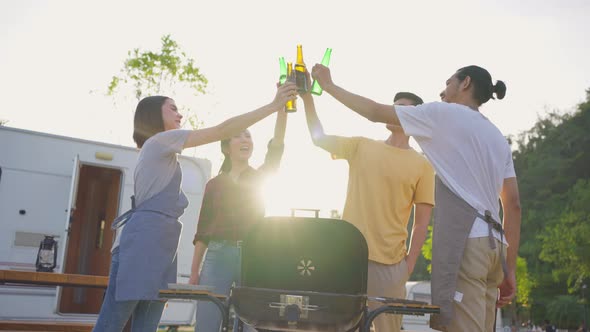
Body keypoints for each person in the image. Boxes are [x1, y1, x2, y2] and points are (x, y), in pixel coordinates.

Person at [311, 64, 522, 332]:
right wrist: (510, 269)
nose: (442, 91)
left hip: (468, 242)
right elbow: (513, 205)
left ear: (465, 83)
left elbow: (375, 112)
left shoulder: (443, 114)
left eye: (448, 83)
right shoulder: (498, 138)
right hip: (497, 249)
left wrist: (328, 86)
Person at [92, 82, 298, 332]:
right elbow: (223, 129)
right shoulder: (159, 142)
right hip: (144, 242)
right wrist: (274, 105)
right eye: (173, 109)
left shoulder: (165, 153)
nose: (180, 114)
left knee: (147, 325)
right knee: (111, 323)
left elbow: (272, 150)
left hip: (163, 245)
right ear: (154, 114)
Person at [301, 72, 434, 332]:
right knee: (336, 326)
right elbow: (318, 138)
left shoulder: (423, 165)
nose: (394, 112)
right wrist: (307, 98)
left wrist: (407, 267)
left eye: (403, 109)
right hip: (347, 257)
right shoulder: (361, 146)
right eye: (393, 107)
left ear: (415, 119)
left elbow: (421, 223)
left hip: (390, 266)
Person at [189, 99, 288, 332]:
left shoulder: (260, 177)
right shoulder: (214, 185)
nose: (245, 139)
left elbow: (277, 147)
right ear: (226, 147)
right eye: (238, 136)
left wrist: (281, 110)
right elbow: (202, 231)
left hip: (253, 256)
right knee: (206, 324)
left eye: (248, 135)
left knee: (250, 325)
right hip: (217, 256)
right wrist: (195, 272)